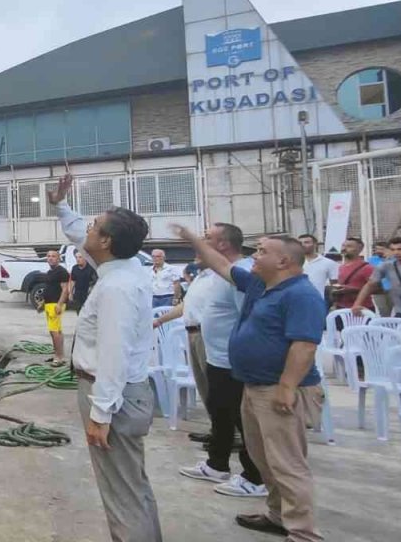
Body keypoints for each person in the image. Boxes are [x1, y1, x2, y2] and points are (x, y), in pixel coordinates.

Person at [174, 225, 325, 541]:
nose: (254, 256)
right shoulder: (261, 285)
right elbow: (222, 265)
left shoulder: (301, 294)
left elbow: (304, 345)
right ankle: (277, 515)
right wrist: (193, 239)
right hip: (254, 386)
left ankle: (303, 532)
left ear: (283, 261)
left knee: (287, 463)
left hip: (279, 390)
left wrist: (286, 387)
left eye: (262, 251)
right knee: (263, 458)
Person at [47, 173, 162, 542]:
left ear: (107, 241)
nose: (88, 229)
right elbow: (77, 233)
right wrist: (61, 205)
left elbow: (114, 353)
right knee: (129, 484)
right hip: (119, 394)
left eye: (94, 226)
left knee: (122, 493)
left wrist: (101, 414)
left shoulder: (117, 287)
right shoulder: (123, 267)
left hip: (112, 396)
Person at [156, 224, 266, 498]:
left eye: (207, 238)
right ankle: (217, 464)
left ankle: (255, 476)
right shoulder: (210, 274)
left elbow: (248, 318)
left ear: (223, 245)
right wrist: (160, 320)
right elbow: (192, 306)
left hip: (230, 358)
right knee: (219, 410)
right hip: (212, 352)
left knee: (242, 418)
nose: (201, 243)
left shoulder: (240, 275)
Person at [352, 236, 401, 319]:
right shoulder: (386, 266)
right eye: (393, 250)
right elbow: (369, 285)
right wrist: (357, 304)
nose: (396, 252)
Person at [41, 250, 71, 367]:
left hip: (55, 304)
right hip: (49, 304)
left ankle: (59, 358)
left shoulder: (61, 271)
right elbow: (49, 288)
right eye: (48, 256)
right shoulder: (50, 272)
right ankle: (58, 355)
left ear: (58, 258)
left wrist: (59, 304)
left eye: (53, 256)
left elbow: (65, 289)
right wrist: (42, 303)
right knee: (55, 330)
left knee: (55, 331)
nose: (50, 258)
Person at [330, 238, 373, 313]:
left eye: (349, 246)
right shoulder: (340, 267)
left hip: (362, 309)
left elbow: (378, 289)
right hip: (341, 308)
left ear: (359, 249)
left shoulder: (367, 268)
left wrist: (353, 290)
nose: (344, 248)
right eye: (343, 245)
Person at [298, 234, 338, 300]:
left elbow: (334, 284)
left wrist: (334, 302)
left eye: (306, 242)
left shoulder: (329, 263)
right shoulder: (293, 262)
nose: (303, 245)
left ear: (315, 244)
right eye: (300, 243)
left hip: (318, 300)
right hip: (296, 300)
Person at [367, 241, 394, 316]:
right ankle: (385, 322)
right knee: (383, 310)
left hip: (392, 288)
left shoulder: (394, 259)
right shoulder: (371, 260)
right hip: (378, 289)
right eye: (377, 249)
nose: (378, 251)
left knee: (390, 309)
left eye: (381, 249)